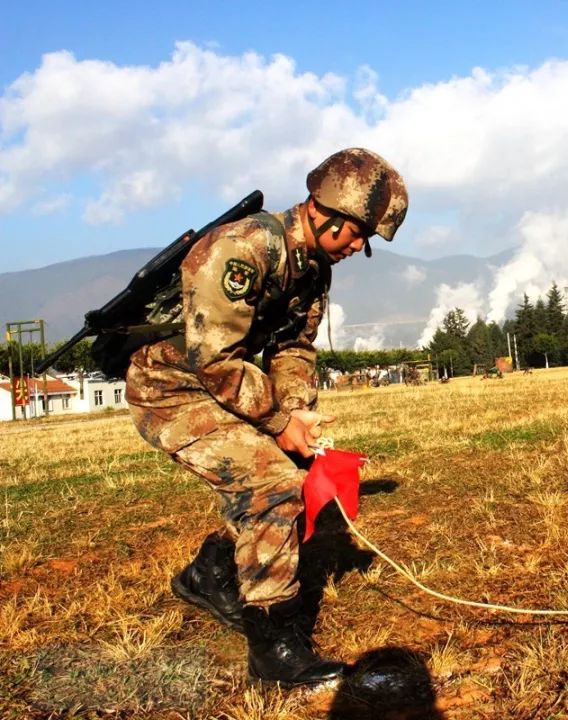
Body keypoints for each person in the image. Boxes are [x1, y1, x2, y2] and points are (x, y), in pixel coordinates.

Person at [125, 148, 408, 684]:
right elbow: (214, 358)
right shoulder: (242, 250)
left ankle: (211, 571)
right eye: (355, 233)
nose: (358, 247)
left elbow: (294, 350)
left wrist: (299, 413)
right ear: (325, 210)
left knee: (296, 469)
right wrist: (279, 422)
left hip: (221, 386)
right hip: (169, 389)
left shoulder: (313, 270)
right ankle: (275, 646)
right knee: (274, 483)